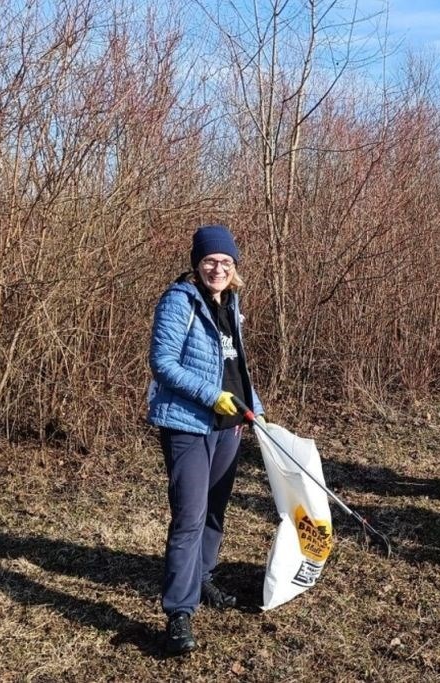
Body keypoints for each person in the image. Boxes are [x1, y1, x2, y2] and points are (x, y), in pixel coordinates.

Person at [147, 224, 263, 655]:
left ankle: (203, 577)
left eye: (226, 263)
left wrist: (257, 411)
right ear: (197, 264)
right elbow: (162, 363)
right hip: (187, 424)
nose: (218, 269)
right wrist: (212, 397)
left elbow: (237, 369)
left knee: (215, 509)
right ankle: (179, 611)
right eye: (210, 261)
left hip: (228, 425)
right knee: (189, 517)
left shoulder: (230, 303)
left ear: (234, 269)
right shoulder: (180, 301)